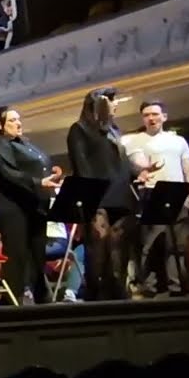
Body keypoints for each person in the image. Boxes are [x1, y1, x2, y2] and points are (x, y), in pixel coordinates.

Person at [121, 99, 189, 295]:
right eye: (147, 115)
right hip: (153, 193)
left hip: (178, 194)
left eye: (155, 114)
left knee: (178, 245)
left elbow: (188, 167)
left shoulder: (178, 141)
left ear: (164, 117)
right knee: (153, 243)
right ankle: (151, 287)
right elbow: (137, 162)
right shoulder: (136, 140)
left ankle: (176, 286)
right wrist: (145, 168)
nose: (151, 118)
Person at [66, 87, 141, 301]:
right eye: (110, 100)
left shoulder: (114, 129)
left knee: (118, 248)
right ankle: (95, 294)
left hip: (120, 195)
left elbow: (121, 162)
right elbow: (82, 166)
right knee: (98, 246)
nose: (115, 104)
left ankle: (116, 289)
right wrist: (90, 198)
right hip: (98, 196)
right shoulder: (79, 129)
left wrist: (140, 172)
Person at [0, 106, 61, 305]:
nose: (18, 123)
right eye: (12, 120)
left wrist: (51, 171)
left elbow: (39, 163)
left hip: (34, 204)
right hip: (13, 207)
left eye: (19, 119)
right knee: (17, 254)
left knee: (38, 253)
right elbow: (9, 173)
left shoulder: (24, 143)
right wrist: (38, 182)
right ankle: (13, 299)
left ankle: (42, 296)